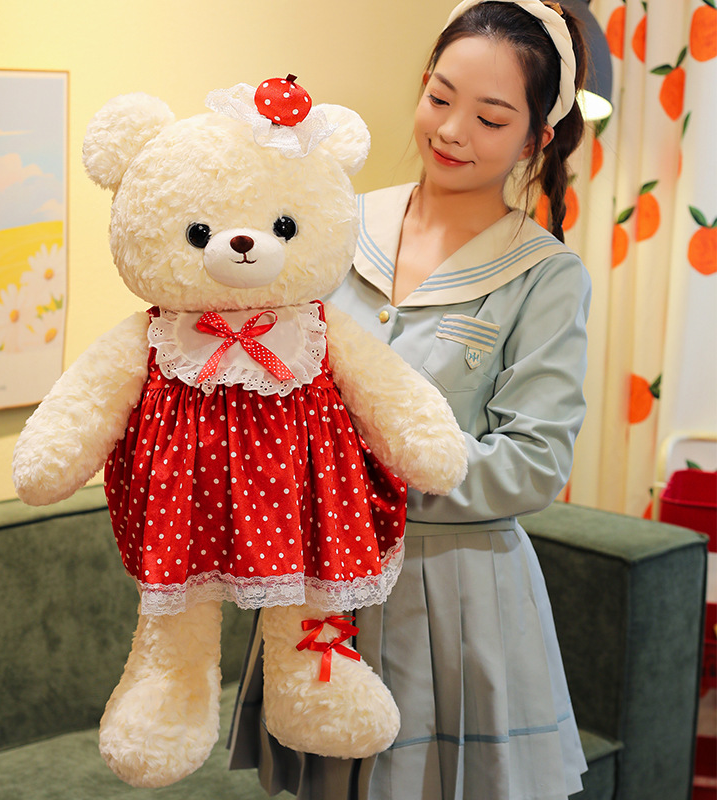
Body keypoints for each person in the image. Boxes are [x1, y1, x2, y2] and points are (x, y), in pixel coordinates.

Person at [229, 0, 592, 797]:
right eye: (440, 97)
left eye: (491, 118)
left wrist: (364, 482)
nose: (453, 131)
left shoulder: (545, 276)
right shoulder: (333, 224)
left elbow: (535, 462)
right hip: (322, 590)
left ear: (536, 139)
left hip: (457, 598)